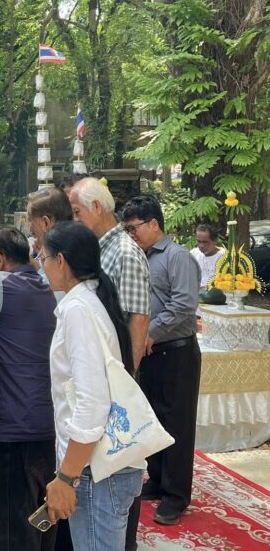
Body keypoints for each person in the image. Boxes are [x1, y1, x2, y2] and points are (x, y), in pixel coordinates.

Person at [40, 222, 144, 551]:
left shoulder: (78, 310)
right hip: (100, 466)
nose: (41, 265)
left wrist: (66, 476)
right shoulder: (90, 299)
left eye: (42, 257)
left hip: (95, 470)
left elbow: (92, 403)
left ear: (60, 261)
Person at [0, 226, 57, 551]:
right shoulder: (45, 284)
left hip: (14, 421)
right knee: (40, 517)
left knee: (9, 528)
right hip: (46, 419)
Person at [121, 195, 201, 526]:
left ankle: (176, 495)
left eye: (134, 228)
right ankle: (156, 478)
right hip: (150, 353)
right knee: (152, 418)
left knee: (176, 423)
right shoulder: (138, 256)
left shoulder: (177, 257)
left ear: (154, 223)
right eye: (127, 229)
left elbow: (184, 304)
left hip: (176, 351)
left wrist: (150, 332)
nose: (131, 234)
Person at [69, 177, 150, 373]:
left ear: (96, 207)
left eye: (77, 212)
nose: (75, 220)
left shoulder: (125, 253)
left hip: (114, 369)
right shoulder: (100, 248)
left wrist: (126, 376)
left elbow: (139, 319)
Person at [190, 224, 225, 290]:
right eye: (199, 241)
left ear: (215, 241)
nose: (201, 245)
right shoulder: (193, 254)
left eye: (205, 242)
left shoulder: (224, 256)